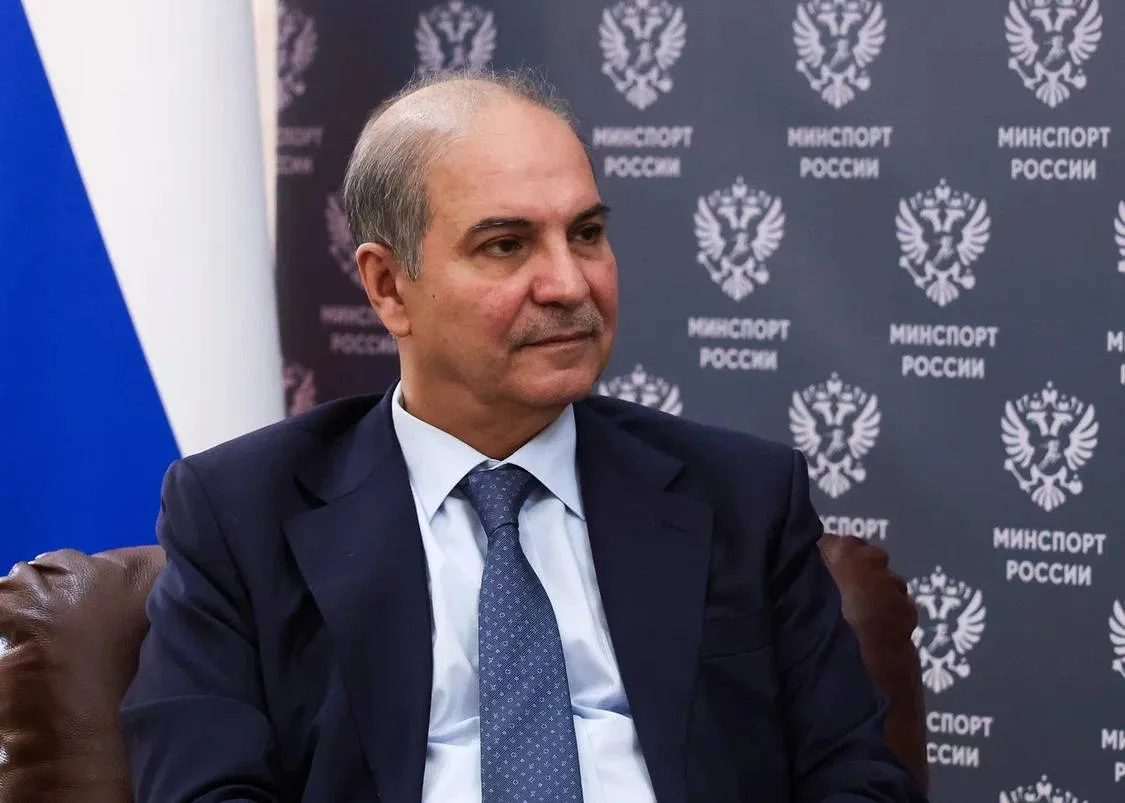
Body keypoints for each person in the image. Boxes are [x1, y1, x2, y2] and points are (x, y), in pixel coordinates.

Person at [120, 69, 927, 802]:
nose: (569, 283)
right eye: (505, 245)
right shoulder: (240, 514)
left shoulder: (742, 498)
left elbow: (857, 781)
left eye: (585, 233)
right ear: (388, 285)